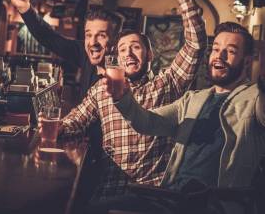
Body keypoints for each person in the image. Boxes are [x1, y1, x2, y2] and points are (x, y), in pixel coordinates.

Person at [39, 0, 207, 212]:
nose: (128, 53)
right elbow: (76, 120)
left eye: (136, 47)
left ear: (150, 56)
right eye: (123, 49)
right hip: (109, 189)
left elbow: (195, 46)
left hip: (151, 195)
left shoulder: (167, 84)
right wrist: (57, 127)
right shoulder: (102, 88)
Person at [108, 21, 265, 212]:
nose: (219, 56)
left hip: (216, 205)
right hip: (171, 197)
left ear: (247, 61)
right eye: (215, 49)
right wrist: (123, 98)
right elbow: (147, 122)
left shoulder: (255, 97)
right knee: (93, 208)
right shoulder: (193, 99)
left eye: (230, 51)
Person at [6, 0, 122, 100]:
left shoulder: (126, 73)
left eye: (101, 36)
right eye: (88, 35)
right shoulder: (84, 52)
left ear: (116, 40)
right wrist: (24, 7)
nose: (92, 42)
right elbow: (50, 38)